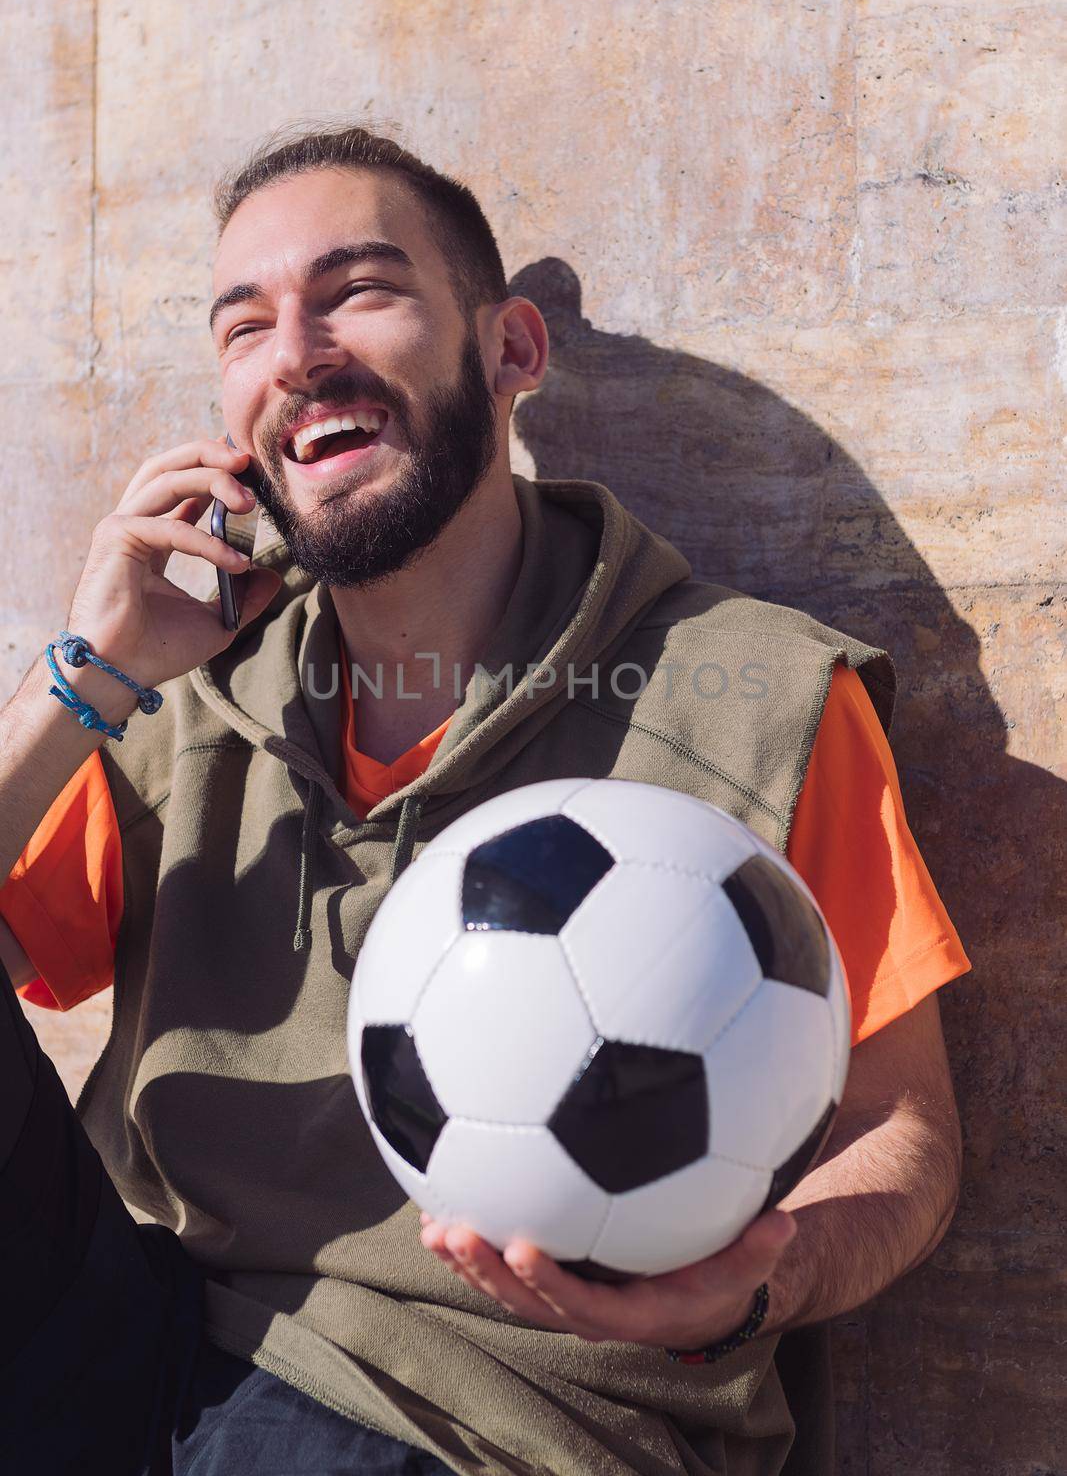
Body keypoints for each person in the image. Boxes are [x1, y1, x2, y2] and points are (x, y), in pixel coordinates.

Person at [0, 125, 970, 1475]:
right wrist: (90, 672)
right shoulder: (178, 691)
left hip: (476, 1406)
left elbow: (901, 1133)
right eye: (244, 326)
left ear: (511, 351)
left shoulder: (752, 695)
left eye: (357, 289)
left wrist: (755, 1285)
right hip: (141, 1332)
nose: (296, 353)